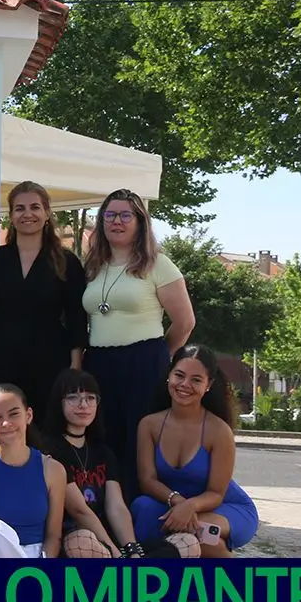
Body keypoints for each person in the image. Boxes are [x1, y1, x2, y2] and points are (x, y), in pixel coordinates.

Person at [81, 189, 196, 499]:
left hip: (143, 363)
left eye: (124, 215)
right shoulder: (92, 266)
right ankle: (103, 512)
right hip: (99, 363)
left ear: (140, 222)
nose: (116, 222)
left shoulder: (159, 264)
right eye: (109, 215)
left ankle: (137, 514)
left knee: (137, 442)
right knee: (101, 439)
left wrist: (160, 355)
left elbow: (185, 322)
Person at [40, 369, 200, 559]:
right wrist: (116, 555)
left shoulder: (103, 452)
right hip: (77, 539)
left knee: (189, 543)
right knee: (80, 542)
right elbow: (79, 511)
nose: (83, 405)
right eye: (73, 398)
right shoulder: (50, 450)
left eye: (90, 398)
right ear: (59, 404)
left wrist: (131, 550)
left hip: (109, 543)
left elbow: (116, 505)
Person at [0, 181, 88, 420]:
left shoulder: (66, 261)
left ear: (47, 213)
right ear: (10, 215)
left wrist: (75, 367)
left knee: (47, 428)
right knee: (2, 425)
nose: (27, 214)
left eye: (35, 207)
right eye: (19, 208)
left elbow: (77, 316)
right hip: (0, 358)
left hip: (51, 360)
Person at [133, 344, 258, 558]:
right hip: (172, 504)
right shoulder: (149, 425)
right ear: (168, 376)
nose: (185, 384)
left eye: (196, 380)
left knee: (201, 535)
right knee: (142, 507)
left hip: (222, 506)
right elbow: (148, 480)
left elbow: (216, 493)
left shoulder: (218, 430)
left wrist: (191, 506)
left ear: (208, 385)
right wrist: (179, 503)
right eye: (179, 375)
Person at [0, 384, 66, 559]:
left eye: (14, 414)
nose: (6, 423)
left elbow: (54, 536)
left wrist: (42, 568)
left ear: (28, 415)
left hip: (37, 560)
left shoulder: (53, 469)